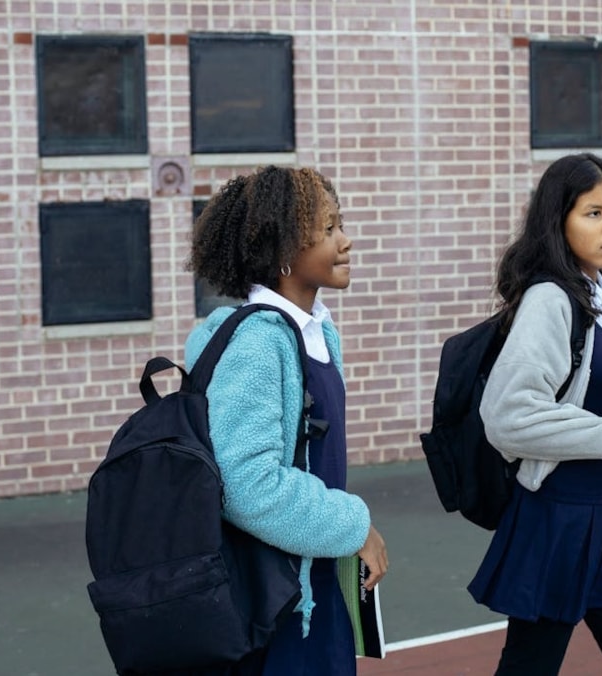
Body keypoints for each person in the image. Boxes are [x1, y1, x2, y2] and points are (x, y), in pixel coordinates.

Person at [467, 153, 602, 676]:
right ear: (558, 221)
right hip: (556, 515)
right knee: (531, 665)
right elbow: (507, 416)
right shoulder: (550, 300)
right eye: (594, 213)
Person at [182, 165, 388, 676]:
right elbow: (246, 485)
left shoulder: (315, 332)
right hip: (274, 603)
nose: (345, 241)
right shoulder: (257, 344)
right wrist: (353, 525)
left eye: (341, 224)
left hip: (310, 582)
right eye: (328, 229)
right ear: (282, 253)